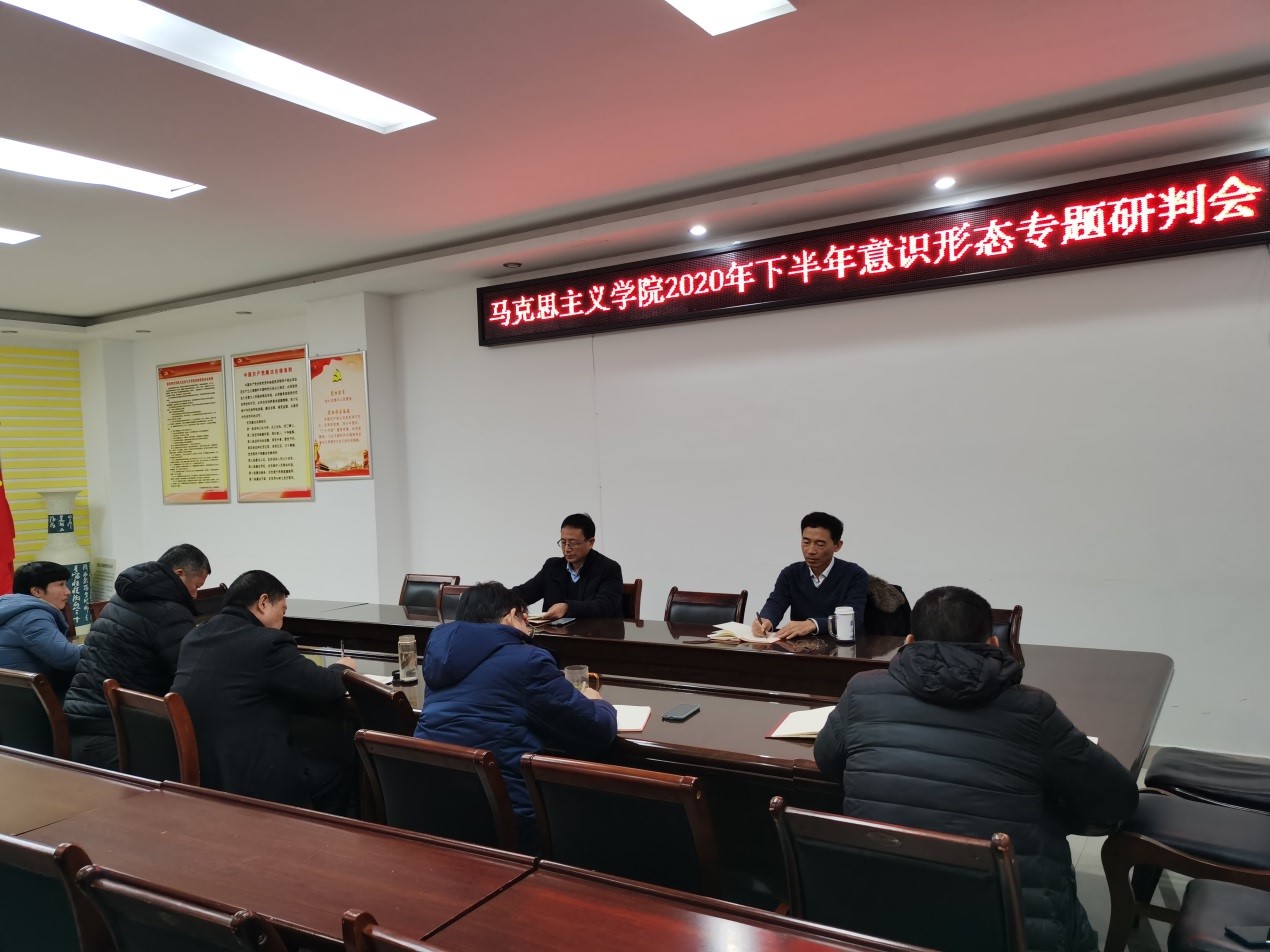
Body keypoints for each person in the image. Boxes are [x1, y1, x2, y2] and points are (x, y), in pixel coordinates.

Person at [813, 586, 1139, 952]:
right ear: (993, 644)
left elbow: (827, 760)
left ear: (909, 641)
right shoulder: (1032, 709)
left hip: (879, 918)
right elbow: (1117, 800)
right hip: (1012, 929)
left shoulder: (862, 691)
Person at [415, 581, 617, 851]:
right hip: (503, 817)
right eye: (527, 622)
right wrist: (598, 702)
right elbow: (595, 731)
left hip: (430, 808)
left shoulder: (440, 657)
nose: (529, 633)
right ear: (512, 616)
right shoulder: (527, 660)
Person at [171, 570, 356, 813]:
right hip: (252, 780)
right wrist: (342, 668)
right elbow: (324, 686)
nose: (282, 622)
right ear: (263, 602)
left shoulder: (194, 636)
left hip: (201, 772)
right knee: (340, 773)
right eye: (283, 611)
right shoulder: (267, 643)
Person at [63, 543, 211, 769]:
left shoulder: (119, 598)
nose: (195, 595)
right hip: (116, 733)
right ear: (179, 574)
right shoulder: (170, 612)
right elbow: (191, 676)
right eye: (196, 586)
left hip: (80, 718)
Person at [752, 512, 868, 640]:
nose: (811, 550)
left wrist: (813, 624)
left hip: (842, 647)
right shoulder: (791, 573)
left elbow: (854, 620)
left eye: (820, 544)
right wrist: (765, 620)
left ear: (837, 546)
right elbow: (776, 603)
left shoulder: (855, 575)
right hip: (800, 647)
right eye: (806, 542)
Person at [512, 513, 623, 620]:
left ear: (590, 542)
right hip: (555, 632)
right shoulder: (552, 567)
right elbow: (525, 593)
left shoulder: (609, 569)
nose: (566, 549)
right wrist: (502, 598)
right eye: (563, 542)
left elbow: (604, 607)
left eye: (573, 543)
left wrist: (568, 607)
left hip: (596, 631)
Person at [0, 561, 82, 696]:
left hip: (11, 695)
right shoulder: (32, 618)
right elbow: (66, 658)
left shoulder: (12, 606)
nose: (68, 592)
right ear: (37, 591)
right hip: (26, 699)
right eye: (61, 584)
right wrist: (100, 647)